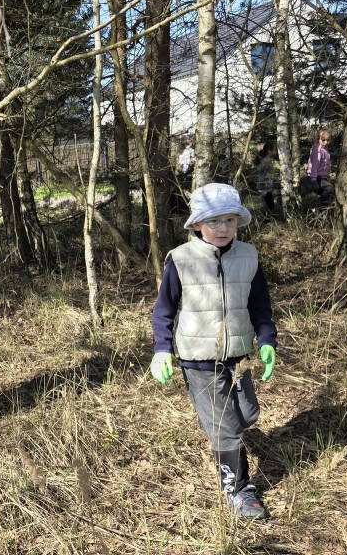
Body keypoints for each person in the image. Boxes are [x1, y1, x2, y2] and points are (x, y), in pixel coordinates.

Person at [149, 183, 278, 519]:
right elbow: (163, 310)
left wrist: (266, 341)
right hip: (198, 358)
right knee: (224, 426)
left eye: (230, 221)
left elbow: (260, 304)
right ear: (196, 224)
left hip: (238, 353)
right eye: (215, 221)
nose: (223, 229)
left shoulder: (249, 256)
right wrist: (162, 349)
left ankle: (228, 436)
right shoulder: (181, 260)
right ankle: (238, 490)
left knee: (247, 414)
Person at [306, 127, 334, 204]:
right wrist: (313, 179)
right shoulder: (317, 150)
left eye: (328, 140)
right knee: (329, 188)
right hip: (316, 176)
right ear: (318, 138)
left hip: (322, 176)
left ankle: (318, 207)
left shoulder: (325, 148)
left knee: (322, 193)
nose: (326, 142)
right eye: (323, 140)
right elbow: (314, 165)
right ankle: (323, 208)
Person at [255, 139, 278, 215]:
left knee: (270, 206)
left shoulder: (270, 160)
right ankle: (268, 222)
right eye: (275, 149)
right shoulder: (266, 161)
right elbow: (261, 175)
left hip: (268, 188)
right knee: (269, 206)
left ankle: (269, 221)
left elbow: (270, 175)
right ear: (269, 151)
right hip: (265, 189)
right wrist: (262, 189)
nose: (276, 151)